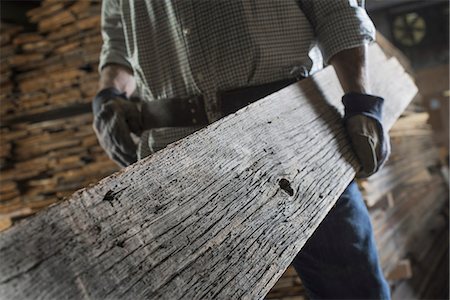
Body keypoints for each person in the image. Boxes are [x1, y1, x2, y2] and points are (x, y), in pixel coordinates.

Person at [93, 1, 391, 299]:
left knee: (351, 289)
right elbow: (118, 43)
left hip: (293, 139)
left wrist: (360, 100)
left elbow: (335, 8)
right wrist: (108, 94)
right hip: (175, 151)